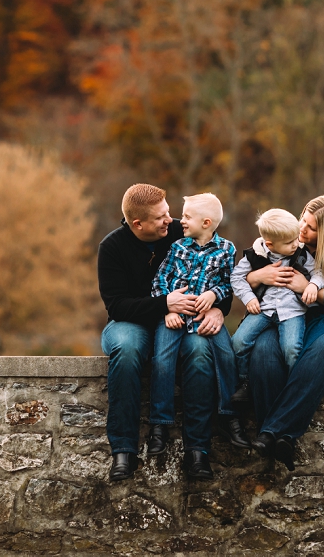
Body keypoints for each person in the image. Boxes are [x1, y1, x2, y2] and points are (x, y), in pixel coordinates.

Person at [96, 184, 234, 482]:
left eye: (169, 213)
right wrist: (164, 304)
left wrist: (218, 308)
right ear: (138, 224)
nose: (170, 220)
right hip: (129, 323)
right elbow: (117, 305)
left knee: (199, 353)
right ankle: (124, 450)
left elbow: (220, 273)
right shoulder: (112, 248)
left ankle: (198, 450)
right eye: (161, 217)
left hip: (183, 321)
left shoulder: (178, 231)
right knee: (128, 350)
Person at [246, 195, 324, 471]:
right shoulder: (292, 245)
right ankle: (282, 442)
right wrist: (257, 277)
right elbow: (254, 265)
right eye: (303, 220)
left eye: (311, 227)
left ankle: (272, 432)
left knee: (319, 351)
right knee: (264, 350)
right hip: (292, 319)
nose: (302, 229)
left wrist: (307, 288)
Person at [148, 194, 247, 473]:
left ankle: (229, 416)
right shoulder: (178, 246)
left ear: (206, 222)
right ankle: (160, 423)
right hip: (175, 317)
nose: (182, 221)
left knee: (227, 355)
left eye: (187, 217)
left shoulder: (227, 249)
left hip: (204, 318)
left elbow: (230, 284)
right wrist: (167, 309)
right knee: (162, 359)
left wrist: (214, 297)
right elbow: (160, 280)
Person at [229, 208, 324, 402]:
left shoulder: (301, 254)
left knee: (291, 348)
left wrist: (313, 285)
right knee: (239, 341)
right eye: (289, 243)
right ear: (270, 245)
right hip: (262, 309)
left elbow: (319, 272)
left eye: (296, 238)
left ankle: (294, 387)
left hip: (292, 312)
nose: (296, 244)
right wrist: (249, 298)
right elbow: (236, 278)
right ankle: (245, 381)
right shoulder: (254, 256)